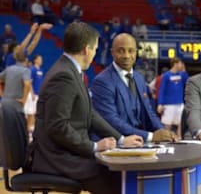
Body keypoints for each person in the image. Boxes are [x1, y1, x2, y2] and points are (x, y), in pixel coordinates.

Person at [29, 22, 143, 194]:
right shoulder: (63, 76)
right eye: (95, 49)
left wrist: (120, 139)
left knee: (119, 173)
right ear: (86, 50)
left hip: (67, 152)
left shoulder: (72, 71)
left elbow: (90, 115)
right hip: (56, 158)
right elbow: (57, 127)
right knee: (117, 179)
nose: (94, 54)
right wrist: (94, 147)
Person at [91, 33, 177, 143]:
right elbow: (111, 121)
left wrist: (163, 131)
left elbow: (149, 112)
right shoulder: (102, 81)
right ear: (112, 53)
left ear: (136, 53)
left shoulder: (139, 78)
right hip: (115, 144)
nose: (126, 55)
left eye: (131, 51)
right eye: (121, 51)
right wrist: (150, 136)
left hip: (138, 142)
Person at [157, 58, 188, 137]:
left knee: (180, 123)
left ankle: (179, 138)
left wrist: (184, 71)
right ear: (175, 64)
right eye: (181, 63)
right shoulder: (166, 76)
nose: (182, 65)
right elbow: (162, 90)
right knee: (167, 125)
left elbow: (187, 82)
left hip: (180, 103)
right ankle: (165, 138)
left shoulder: (181, 75)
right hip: (168, 104)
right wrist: (160, 103)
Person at [24, 54, 44, 141]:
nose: (41, 60)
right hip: (32, 95)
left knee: (36, 113)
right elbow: (29, 82)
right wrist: (31, 93)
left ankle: (32, 131)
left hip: (38, 94)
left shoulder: (41, 70)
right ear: (35, 60)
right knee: (30, 113)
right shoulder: (32, 69)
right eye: (39, 59)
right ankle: (29, 132)